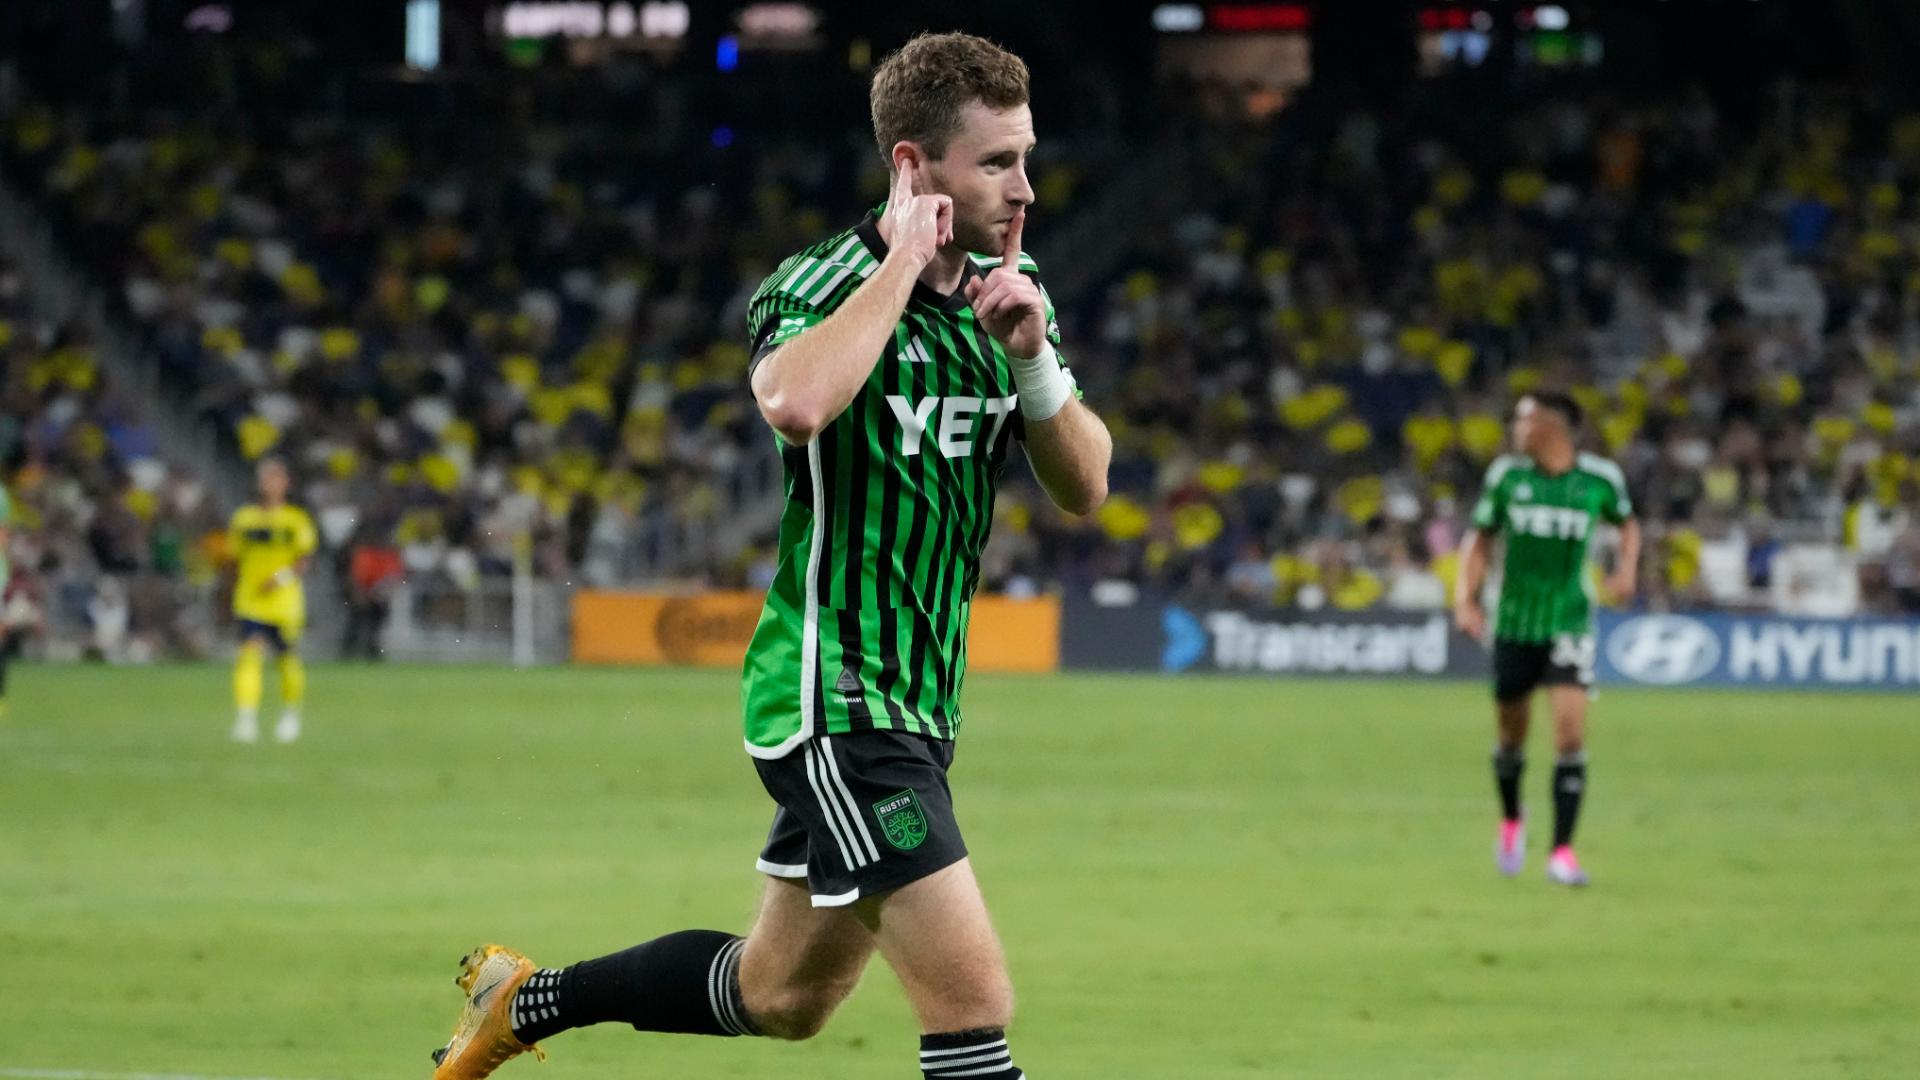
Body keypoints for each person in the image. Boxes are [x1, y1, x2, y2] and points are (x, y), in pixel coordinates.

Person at [429, 31, 1111, 1079]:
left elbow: (1086, 486)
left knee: (784, 995)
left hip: (920, 705)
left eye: (1026, 158)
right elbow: (795, 403)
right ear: (912, 168)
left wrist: (1031, 363)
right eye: (996, 162)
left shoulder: (1011, 295)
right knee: (972, 999)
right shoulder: (819, 283)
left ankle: (527, 999)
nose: (1025, 187)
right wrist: (898, 263)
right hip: (834, 697)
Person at [1453, 392, 1640, 887]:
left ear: (1552, 426)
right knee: (1511, 736)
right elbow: (1478, 540)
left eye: (1524, 420)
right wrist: (1465, 600)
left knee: (1570, 734)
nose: (1516, 429)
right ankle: (1513, 819)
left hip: (1570, 622)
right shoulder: (1507, 479)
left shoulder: (1599, 480)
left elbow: (1628, 526)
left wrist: (1626, 572)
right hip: (1514, 623)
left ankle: (1562, 852)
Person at [227, 457, 317, 743]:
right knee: (250, 654)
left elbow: (303, 561)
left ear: (286, 483)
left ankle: (290, 714)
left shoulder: (296, 520)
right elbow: (234, 558)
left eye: (276, 478)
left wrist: (279, 579)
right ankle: (246, 718)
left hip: (284, 603)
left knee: (286, 658)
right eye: (266, 478)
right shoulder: (244, 519)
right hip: (250, 600)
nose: (270, 484)